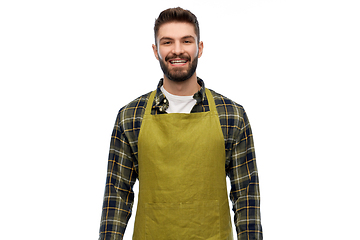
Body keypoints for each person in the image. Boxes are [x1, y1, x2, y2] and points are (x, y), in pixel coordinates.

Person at [99, 7, 263, 240]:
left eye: (186, 41)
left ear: (200, 48)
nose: (177, 50)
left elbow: (246, 196)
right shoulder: (130, 117)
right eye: (167, 42)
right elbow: (117, 196)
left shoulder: (232, 115)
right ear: (156, 51)